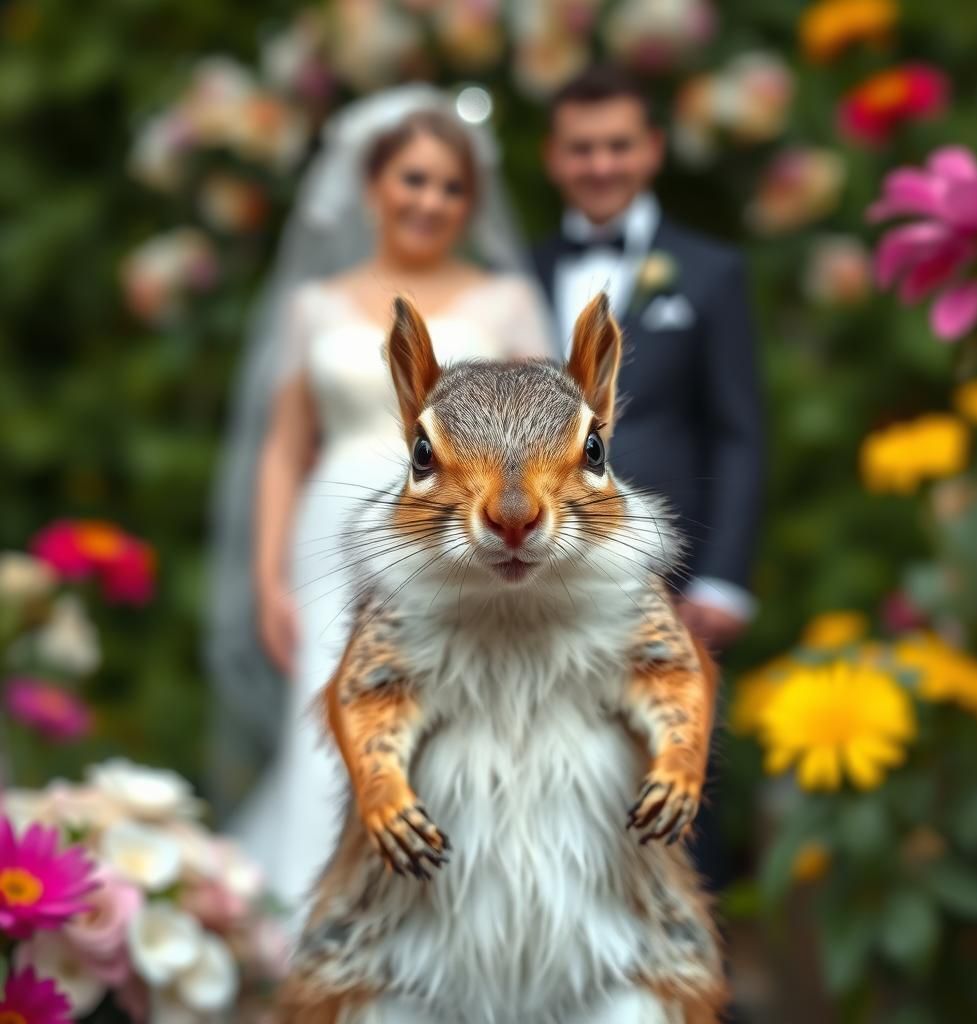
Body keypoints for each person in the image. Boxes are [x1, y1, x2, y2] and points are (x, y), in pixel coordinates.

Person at [206, 85, 555, 918]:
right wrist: (266, 577)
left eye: (450, 186)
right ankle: (320, 921)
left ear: (472, 202)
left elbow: (548, 435)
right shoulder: (312, 308)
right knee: (331, 716)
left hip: (458, 539)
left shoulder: (505, 304)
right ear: (372, 188)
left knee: (454, 716)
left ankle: (453, 919)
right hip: (330, 539)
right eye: (413, 180)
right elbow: (284, 448)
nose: (430, 201)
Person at [532, 65, 765, 887]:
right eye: (581, 148)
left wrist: (727, 578)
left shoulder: (709, 274)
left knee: (678, 778)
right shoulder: (514, 276)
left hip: (671, 579)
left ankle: (699, 998)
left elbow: (739, 433)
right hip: (538, 580)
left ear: (653, 150)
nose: (601, 164)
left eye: (618, 145)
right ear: (553, 158)